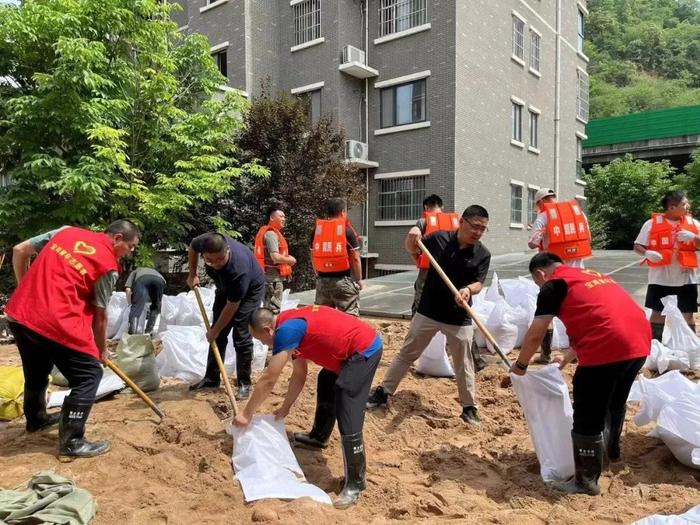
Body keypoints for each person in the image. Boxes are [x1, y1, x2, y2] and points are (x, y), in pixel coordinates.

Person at [510, 252, 650, 496]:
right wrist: (567, 356)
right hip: (639, 343)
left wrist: (520, 366)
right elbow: (599, 317)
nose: (539, 287)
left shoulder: (553, 286)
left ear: (542, 274)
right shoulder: (592, 275)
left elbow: (536, 332)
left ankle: (586, 481)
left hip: (608, 347)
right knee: (614, 400)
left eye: (537, 283)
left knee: (587, 414)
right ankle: (611, 451)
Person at [6, 220, 141, 457]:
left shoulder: (67, 232)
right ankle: (72, 441)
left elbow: (20, 250)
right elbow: (100, 317)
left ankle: (36, 419)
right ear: (118, 239)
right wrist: (101, 352)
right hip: (53, 321)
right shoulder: (107, 267)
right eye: (131, 247)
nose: (130, 252)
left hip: (20, 315)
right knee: (89, 374)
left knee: (38, 368)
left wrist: (25, 289)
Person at [238, 305, 383, 509]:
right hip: (348, 351)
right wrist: (286, 407)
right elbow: (300, 373)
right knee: (326, 379)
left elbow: (269, 378)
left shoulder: (286, 332)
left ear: (267, 330)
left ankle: (356, 483)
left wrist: (246, 414)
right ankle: (319, 437)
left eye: (261, 340)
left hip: (365, 349)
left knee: (345, 396)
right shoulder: (288, 324)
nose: (263, 345)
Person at [367, 205, 491, 425]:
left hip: (458, 315)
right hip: (429, 311)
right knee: (407, 352)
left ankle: (469, 407)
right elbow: (412, 248)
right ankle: (384, 392)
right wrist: (413, 234)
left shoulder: (482, 253)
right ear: (462, 222)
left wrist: (468, 290)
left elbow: (479, 283)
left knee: (464, 362)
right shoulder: (438, 239)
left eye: (483, 229)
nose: (478, 232)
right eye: (475, 227)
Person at [187, 232, 265, 400]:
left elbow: (233, 305)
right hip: (225, 287)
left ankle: (244, 383)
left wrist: (215, 330)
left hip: (250, 291)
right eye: (209, 260)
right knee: (218, 334)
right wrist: (192, 273)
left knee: (241, 335)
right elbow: (193, 245)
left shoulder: (239, 269)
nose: (215, 264)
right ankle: (211, 379)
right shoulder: (204, 242)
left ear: (228, 250)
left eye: (220, 259)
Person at [527, 188, 592, 364]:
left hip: (555, 274)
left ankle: (545, 354)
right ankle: (576, 353)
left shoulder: (543, 216)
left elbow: (533, 243)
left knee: (546, 313)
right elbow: (587, 236)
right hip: (579, 273)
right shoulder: (578, 213)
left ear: (541, 202)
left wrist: (537, 237)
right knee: (578, 313)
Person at [633, 191, 700, 342]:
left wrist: (693, 237)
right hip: (660, 278)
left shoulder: (694, 224)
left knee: (688, 314)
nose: (688, 206)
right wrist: (647, 253)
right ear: (671, 207)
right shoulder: (650, 224)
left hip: (686, 277)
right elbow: (637, 246)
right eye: (684, 204)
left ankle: (690, 345)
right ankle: (655, 346)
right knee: (657, 312)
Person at [311, 198, 363, 316]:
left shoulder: (317, 231)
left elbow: (313, 255)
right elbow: (355, 258)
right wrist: (359, 279)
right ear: (342, 212)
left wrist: (318, 275)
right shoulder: (347, 231)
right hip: (342, 280)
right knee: (349, 317)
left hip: (322, 281)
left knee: (322, 317)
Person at [254, 204, 296, 314]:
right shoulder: (271, 234)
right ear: (272, 218)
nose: (284, 219)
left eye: (284, 217)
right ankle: (272, 330)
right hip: (273, 280)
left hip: (269, 279)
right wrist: (291, 261)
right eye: (281, 216)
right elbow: (275, 257)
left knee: (269, 309)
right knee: (273, 311)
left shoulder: (270, 233)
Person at [125, 267, 166, 334]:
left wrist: (130, 304)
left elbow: (128, 290)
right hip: (160, 280)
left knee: (136, 308)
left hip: (142, 280)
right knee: (155, 307)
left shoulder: (134, 272)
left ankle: (132, 334)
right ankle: (148, 333)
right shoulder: (154, 271)